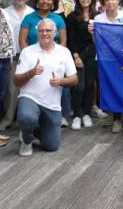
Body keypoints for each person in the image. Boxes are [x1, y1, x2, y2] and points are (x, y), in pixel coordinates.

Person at [15, 18, 77, 156]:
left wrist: (61, 81)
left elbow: (74, 79)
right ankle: (26, 140)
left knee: (52, 146)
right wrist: (31, 73)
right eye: (41, 31)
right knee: (27, 117)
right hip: (30, 97)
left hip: (52, 105)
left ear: (54, 33)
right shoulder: (27, 52)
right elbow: (16, 82)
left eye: (48, 30)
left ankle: (31, 129)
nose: (44, 33)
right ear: (37, 33)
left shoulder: (64, 51)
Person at [91, 0, 123, 133]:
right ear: (103, 2)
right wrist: (92, 33)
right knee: (106, 87)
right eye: (106, 0)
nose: (110, 2)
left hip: (121, 58)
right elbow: (96, 42)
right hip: (104, 58)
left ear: (118, 0)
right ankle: (111, 113)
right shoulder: (98, 18)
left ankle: (117, 119)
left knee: (119, 87)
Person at [0, 0, 34, 131]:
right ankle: (7, 120)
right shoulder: (6, 12)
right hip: (13, 55)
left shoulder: (32, 12)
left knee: (28, 88)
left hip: (29, 55)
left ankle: (24, 120)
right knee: (11, 90)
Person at [66, 0, 98, 131]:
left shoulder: (97, 16)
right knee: (78, 85)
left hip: (93, 53)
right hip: (78, 53)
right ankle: (77, 115)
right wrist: (76, 56)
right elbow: (70, 39)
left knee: (90, 84)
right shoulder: (72, 17)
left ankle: (87, 113)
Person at [0, 0, 14, 147]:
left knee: (1, 94)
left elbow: (9, 36)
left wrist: (10, 59)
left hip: (5, 59)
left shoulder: (3, 12)